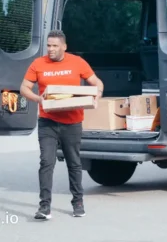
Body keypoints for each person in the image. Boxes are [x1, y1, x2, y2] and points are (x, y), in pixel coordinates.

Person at [20, 30, 104, 220]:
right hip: (47, 122)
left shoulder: (77, 62)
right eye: (49, 45)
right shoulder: (38, 64)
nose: (50, 49)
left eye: (55, 46)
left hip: (72, 122)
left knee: (74, 163)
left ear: (64, 47)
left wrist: (96, 93)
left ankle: (78, 202)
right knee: (46, 163)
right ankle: (44, 207)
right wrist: (38, 99)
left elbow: (96, 82)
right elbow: (24, 87)